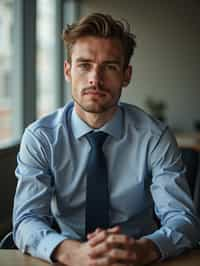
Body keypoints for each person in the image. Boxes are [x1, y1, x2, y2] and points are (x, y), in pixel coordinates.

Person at [13, 13, 200, 266]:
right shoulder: (41, 137)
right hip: (66, 259)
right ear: (68, 71)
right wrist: (73, 253)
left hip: (137, 258)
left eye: (110, 66)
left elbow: (182, 219)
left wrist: (144, 250)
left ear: (126, 74)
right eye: (84, 65)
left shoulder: (155, 137)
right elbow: (26, 220)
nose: (95, 79)